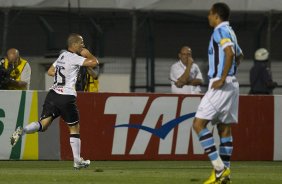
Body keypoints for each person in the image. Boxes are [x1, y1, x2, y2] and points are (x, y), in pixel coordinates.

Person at [10, 33, 99, 169]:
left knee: (43, 125)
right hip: (66, 96)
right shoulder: (74, 58)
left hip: (53, 94)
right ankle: (77, 161)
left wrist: (66, 72)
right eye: (81, 43)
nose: (83, 45)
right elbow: (95, 62)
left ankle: (22, 130)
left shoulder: (62, 56)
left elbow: (51, 71)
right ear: (74, 44)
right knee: (74, 128)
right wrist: (87, 54)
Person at [192, 3, 243, 184]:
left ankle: (220, 168)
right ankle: (225, 175)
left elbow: (229, 54)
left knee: (198, 124)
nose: (208, 17)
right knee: (224, 127)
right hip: (232, 85)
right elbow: (239, 55)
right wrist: (230, 74)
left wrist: (222, 77)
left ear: (216, 16)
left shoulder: (219, 31)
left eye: (209, 14)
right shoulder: (232, 32)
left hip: (220, 84)